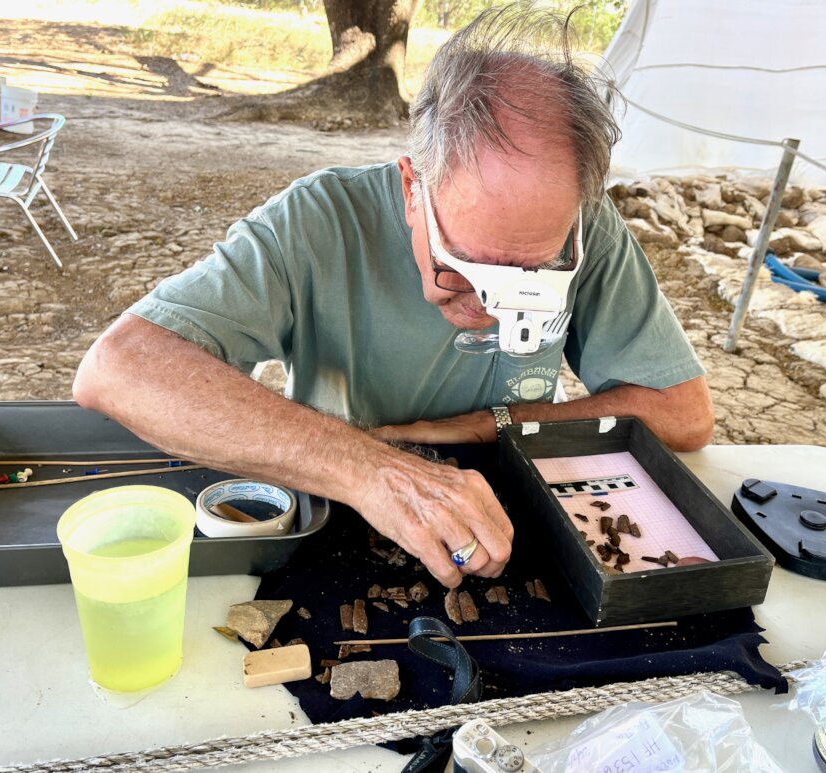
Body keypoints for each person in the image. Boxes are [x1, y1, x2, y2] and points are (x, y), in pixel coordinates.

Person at [72, 5, 713, 590]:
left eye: (533, 274)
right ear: (413, 189)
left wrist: (480, 428)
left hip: (516, 517)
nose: (493, 309)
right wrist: (372, 469)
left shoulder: (582, 228)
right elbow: (119, 370)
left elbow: (682, 413)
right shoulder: (316, 221)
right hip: (339, 513)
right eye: (463, 268)